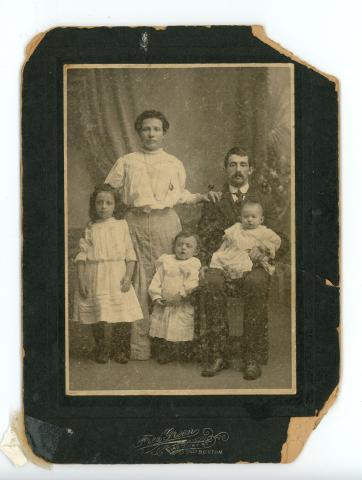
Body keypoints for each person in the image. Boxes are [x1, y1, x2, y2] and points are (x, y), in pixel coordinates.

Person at [105, 110, 217, 360]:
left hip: (165, 223)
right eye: (146, 129)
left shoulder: (173, 163)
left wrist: (199, 197)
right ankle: (132, 347)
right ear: (139, 132)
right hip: (133, 224)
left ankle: (166, 344)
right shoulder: (127, 161)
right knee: (133, 280)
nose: (151, 134)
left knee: (167, 279)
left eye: (156, 129)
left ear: (164, 132)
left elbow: (179, 195)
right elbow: (108, 192)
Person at [198, 147, 279, 380]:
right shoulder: (215, 199)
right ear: (225, 169)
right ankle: (218, 354)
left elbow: (280, 235)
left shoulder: (264, 199)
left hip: (255, 264)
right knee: (212, 283)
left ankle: (251, 355)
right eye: (233, 164)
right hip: (223, 260)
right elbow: (204, 234)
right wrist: (209, 261)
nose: (238, 170)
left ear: (250, 169)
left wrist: (262, 251)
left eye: (243, 165)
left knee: (255, 283)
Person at [73, 184, 143, 364]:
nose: (103, 206)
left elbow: (130, 255)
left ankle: (120, 350)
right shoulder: (91, 228)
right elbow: (82, 256)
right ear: (94, 205)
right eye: (99, 202)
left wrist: (128, 276)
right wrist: (81, 279)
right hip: (95, 275)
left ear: (115, 206)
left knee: (122, 313)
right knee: (99, 313)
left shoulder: (121, 225)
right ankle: (101, 348)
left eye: (108, 203)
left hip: (118, 275)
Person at [148, 231, 201, 364]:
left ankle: (185, 352)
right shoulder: (166, 261)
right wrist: (156, 295)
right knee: (165, 327)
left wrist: (182, 294)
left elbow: (193, 282)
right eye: (179, 245)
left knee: (182, 327)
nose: (183, 248)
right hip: (165, 304)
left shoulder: (193, 263)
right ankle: (166, 352)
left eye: (188, 246)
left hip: (181, 303)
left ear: (195, 251)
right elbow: (157, 280)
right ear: (174, 247)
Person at [210, 201, 281, 279]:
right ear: (240, 218)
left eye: (253, 217)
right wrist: (220, 251)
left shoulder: (263, 231)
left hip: (249, 257)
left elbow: (276, 241)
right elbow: (226, 241)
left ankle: (237, 275)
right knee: (218, 257)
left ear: (261, 219)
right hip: (233, 254)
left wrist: (265, 246)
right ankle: (227, 272)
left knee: (246, 265)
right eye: (246, 217)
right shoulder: (236, 227)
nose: (249, 219)